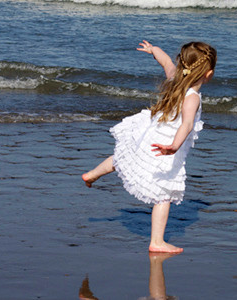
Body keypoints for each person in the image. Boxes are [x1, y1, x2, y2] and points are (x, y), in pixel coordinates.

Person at [82, 40, 217, 253]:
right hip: (164, 145)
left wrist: (154, 50)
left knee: (124, 156)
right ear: (208, 74)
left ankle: (92, 175)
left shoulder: (174, 78)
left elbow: (165, 61)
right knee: (164, 192)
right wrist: (173, 147)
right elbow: (187, 125)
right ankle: (157, 242)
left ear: (181, 63)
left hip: (151, 133)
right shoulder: (193, 98)